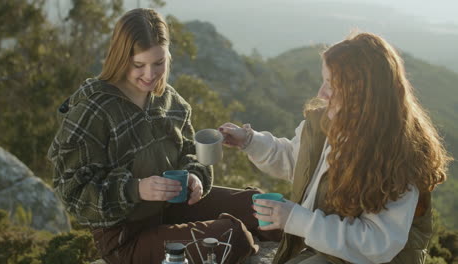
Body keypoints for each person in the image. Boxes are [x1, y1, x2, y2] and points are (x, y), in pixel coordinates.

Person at [48, 8, 279, 264]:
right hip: (127, 237)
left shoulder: (170, 102)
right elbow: (72, 191)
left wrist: (195, 176)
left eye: (159, 63)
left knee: (262, 206)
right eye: (139, 65)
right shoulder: (93, 110)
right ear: (120, 58)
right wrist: (136, 189)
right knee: (229, 237)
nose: (150, 75)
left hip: (175, 208)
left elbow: (191, 154)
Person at [219, 32, 451, 264]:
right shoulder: (325, 123)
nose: (321, 93)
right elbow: (294, 160)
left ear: (362, 94)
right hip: (326, 248)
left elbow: (377, 243)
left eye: (331, 84)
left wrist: (298, 220)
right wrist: (249, 141)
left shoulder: (399, 155)